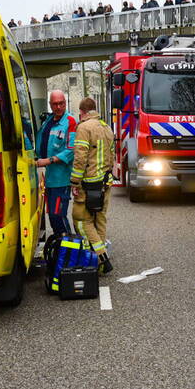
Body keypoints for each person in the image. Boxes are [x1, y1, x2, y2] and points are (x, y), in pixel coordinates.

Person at [71, 97, 116, 274]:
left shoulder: (83, 128)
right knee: (100, 221)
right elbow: (112, 156)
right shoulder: (106, 127)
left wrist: (74, 182)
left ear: (82, 112)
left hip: (88, 184)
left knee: (82, 221)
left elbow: (80, 158)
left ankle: (100, 256)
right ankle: (99, 265)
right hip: (105, 182)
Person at [36, 90, 77, 238]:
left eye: (61, 103)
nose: (58, 107)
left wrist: (49, 160)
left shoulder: (70, 122)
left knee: (58, 216)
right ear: (50, 105)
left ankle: (68, 251)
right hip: (49, 179)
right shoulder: (48, 121)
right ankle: (60, 249)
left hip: (61, 179)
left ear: (65, 103)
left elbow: (71, 150)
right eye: (55, 104)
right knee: (52, 217)